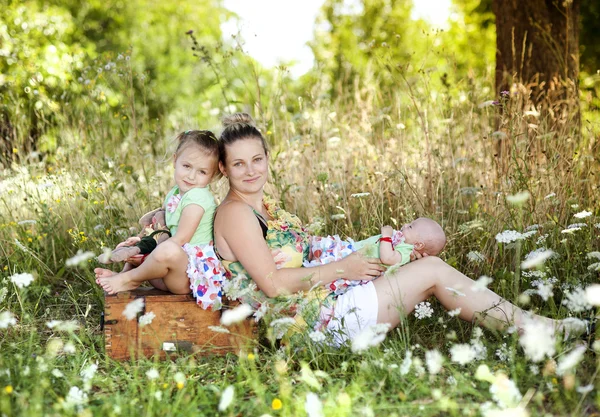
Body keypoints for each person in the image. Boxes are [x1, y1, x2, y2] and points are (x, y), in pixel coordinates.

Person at [213, 112, 586, 342]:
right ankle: (534, 330)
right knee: (433, 270)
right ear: (224, 169)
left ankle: (530, 326)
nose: (251, 171)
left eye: (257, 160)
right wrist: (346, 267)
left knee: (419, 264)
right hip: (311, 322)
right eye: (239, 164)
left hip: (326, 300)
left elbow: (304, 256)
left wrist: (367, 255)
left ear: (267, 159)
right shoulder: (236, 214)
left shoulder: (265, 208)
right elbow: (274, 284)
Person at [95, 130, 226, 310]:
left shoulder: (198, 197)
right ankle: (124, 276)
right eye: (186, 166)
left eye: (202, 171)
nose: (191, 176)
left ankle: (129, 280)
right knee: (142, 245)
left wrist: (151, 255)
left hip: (190, 277)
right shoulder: (175, 193)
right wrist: (142, 242)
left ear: (211, 175)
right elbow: (162, 231)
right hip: (169, 273)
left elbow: (180, 239)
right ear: (175, 160)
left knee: (167, 249)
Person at [305, 218, 447, 295]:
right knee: (325, 248)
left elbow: (388, 259)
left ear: (419, 245)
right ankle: (308, 251)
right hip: (353, 252)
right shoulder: (403, 243)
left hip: (358, 261)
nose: (405, 224)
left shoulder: (405, 251)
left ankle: (309, 264)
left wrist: (386, 236)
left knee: (329, 260)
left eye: (410, 227)